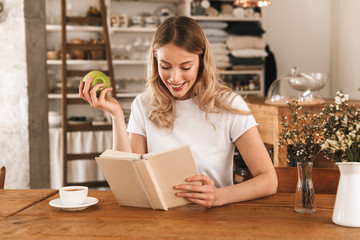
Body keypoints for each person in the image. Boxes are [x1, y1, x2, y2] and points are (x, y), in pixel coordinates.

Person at [80, 16, 277, 208]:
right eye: (165, 66)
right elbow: (128, 180)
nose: (174, 78)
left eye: (185, 67)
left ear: (201, 62)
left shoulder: (229, 105)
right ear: (156, 62)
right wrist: (115, 114)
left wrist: (218, 196)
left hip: (213, 217)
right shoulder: (143, 104)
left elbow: (268, 180)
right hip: (159, 217)